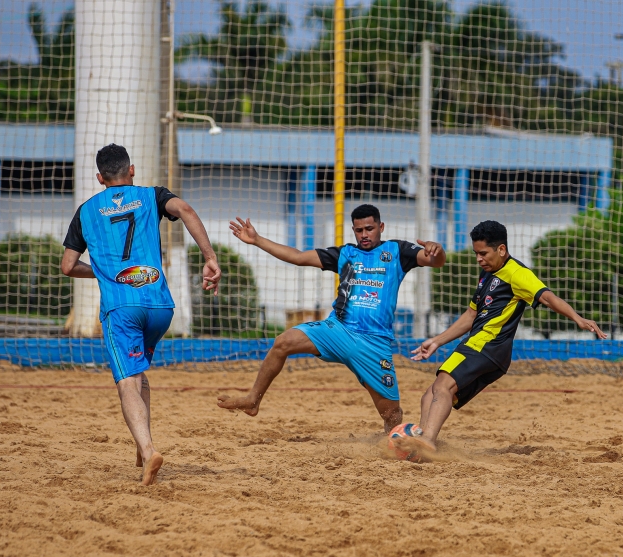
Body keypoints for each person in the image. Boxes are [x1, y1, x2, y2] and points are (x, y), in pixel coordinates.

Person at [61, 143, 222, 486]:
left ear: (100, 178)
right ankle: (141, 444)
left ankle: (149, 452)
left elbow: (68, 266)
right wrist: (210, 257)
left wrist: (105, 273)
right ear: (131, 170)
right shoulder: (152, 195)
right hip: (160, 307)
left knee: (126, 381)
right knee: (137, 371)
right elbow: (186, 209)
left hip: (122, 307)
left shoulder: (85, 211)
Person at [217, 204, 446, 431]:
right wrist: (257, 240)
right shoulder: (346, 254)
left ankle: (393, 442)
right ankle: (253, 399)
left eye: (369, 229)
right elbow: (298, 257)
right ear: (353, 230)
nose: (364, 235)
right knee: (283, 342)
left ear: (381, 227)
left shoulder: (397, 251)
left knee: (392, 414)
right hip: (337, 330)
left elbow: (435, 261)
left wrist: (437, 250)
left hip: (373, 343)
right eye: (359, 230)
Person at [399, 220, 606, 455]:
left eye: (483, 253)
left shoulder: (517, 273)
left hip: (486, 345)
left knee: (442, 386)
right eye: (476, 253)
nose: (479, 259)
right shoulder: (488, 272)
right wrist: (437, 341)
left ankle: (427, 441)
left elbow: (548, 297)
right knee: (431, 394)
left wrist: (577, 318)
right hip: (489, 351)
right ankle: (421, 447)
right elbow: (471, 315)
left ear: (501, 249)